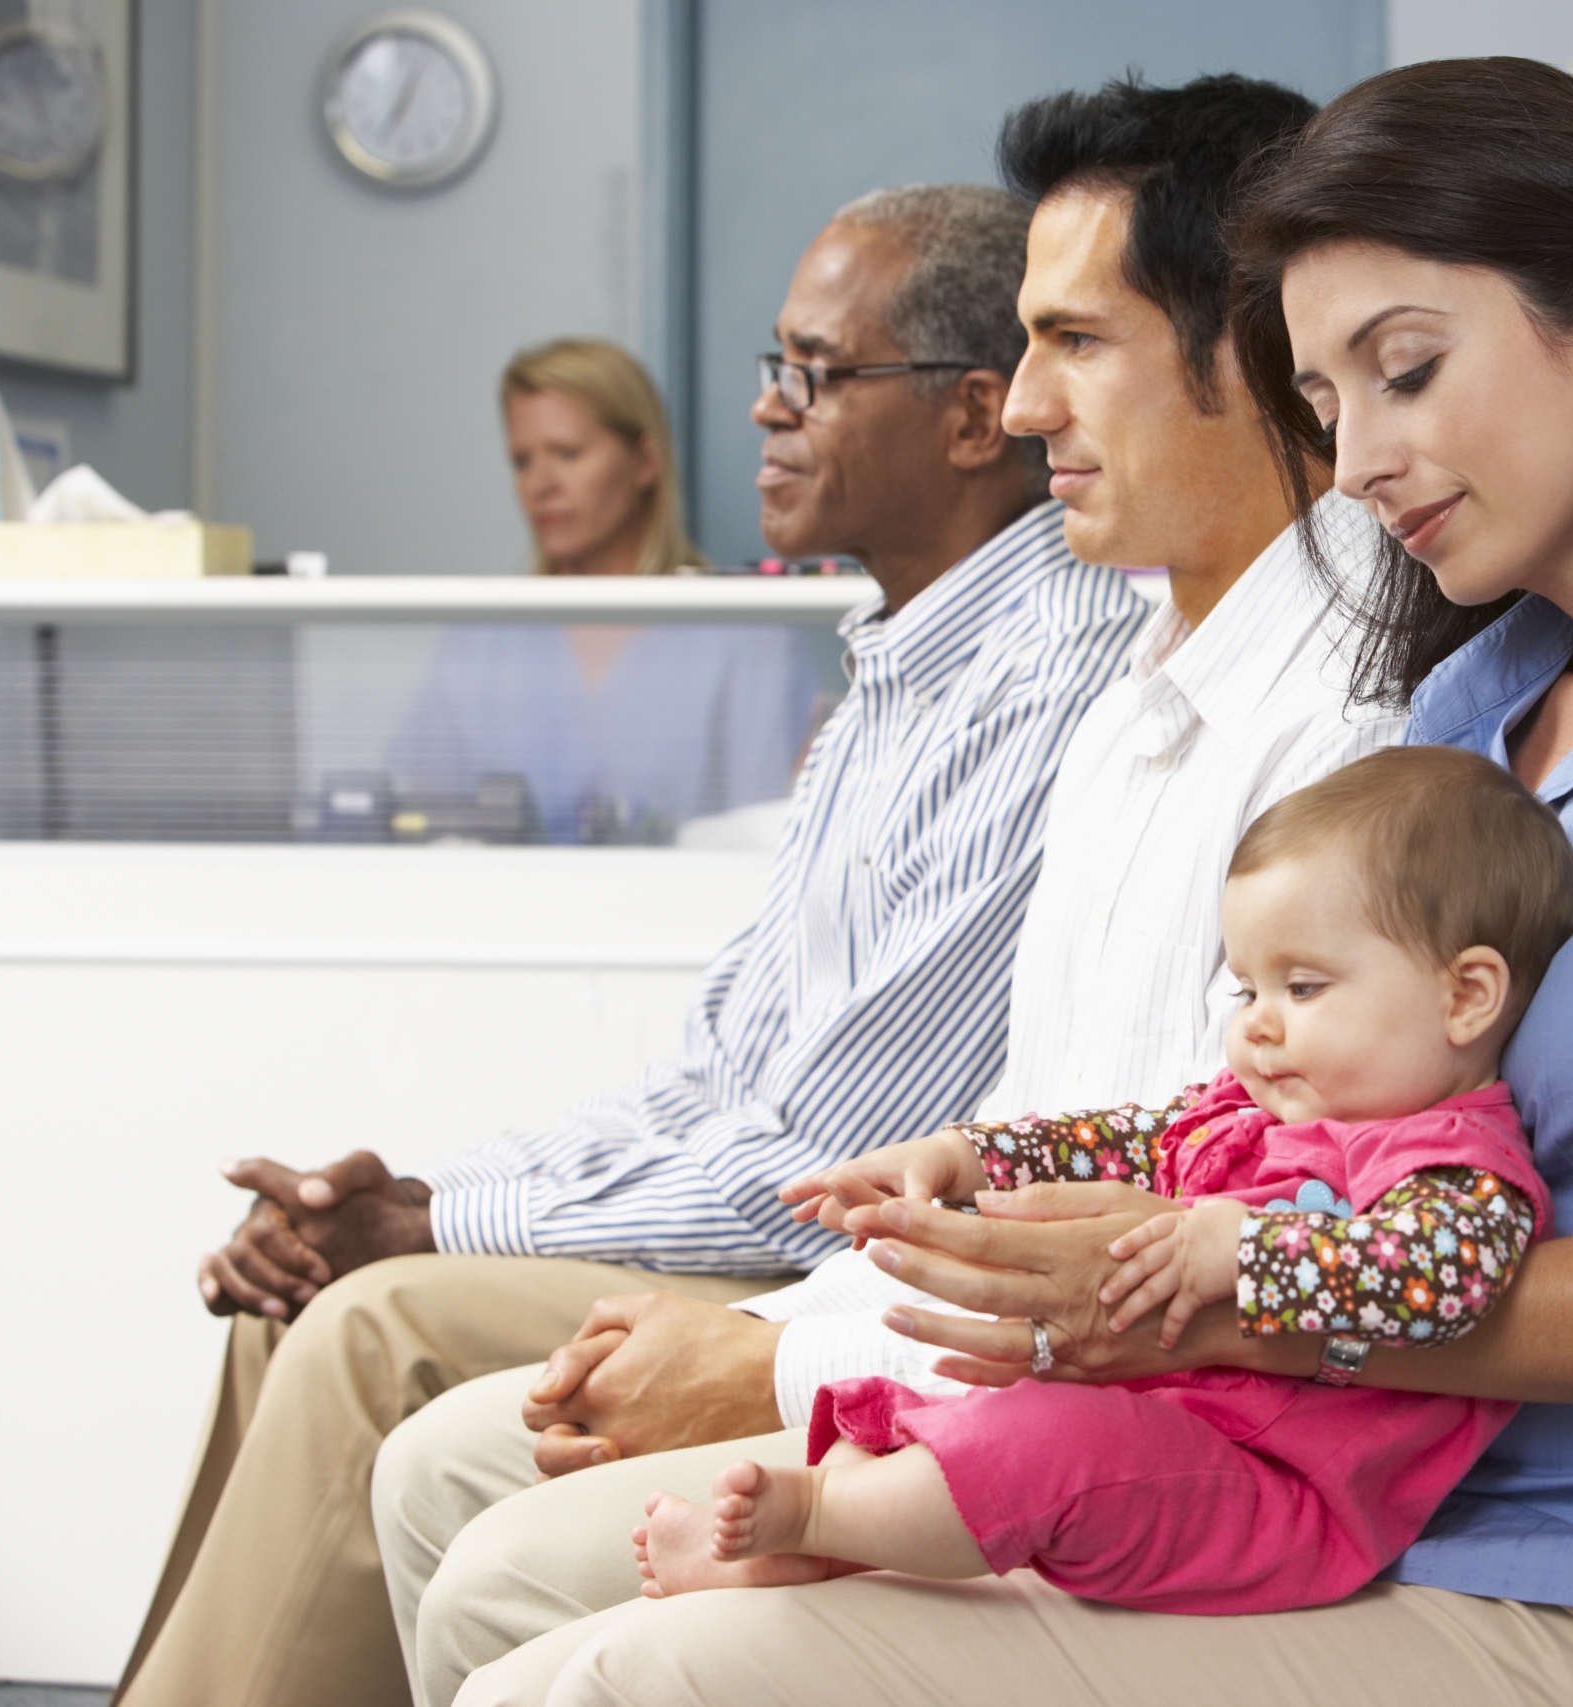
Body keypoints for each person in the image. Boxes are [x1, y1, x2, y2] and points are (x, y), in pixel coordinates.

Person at [454, 55, 1573, 1707]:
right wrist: (1025, 1184)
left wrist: (1217, 1291)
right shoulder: (1473, 707)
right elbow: (1272, 1109)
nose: (1356, 462)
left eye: (1406, 372)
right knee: (537, 1608)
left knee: (618, 1677)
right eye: (1329, 401)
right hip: (1318, 1497)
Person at [383, 74, 1400, 1707]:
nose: (1021, 410)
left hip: (1147, 1436)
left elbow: (1162, 1244)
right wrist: (784, 1323)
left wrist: (768, 1356)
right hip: (985, 1353)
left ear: (1253, 346)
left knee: (496, 1558)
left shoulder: (1354, 725)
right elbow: (1008, 1147)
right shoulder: (1146, 678)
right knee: (442, 1469)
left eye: (1079, 344)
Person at [117, 184, 1147, 1707]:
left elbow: (817, 1162)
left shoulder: (1041, 675)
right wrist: (411, 1193)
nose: (764, 406)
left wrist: (428, 1226)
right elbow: (712, 1071)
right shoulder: (893, 670)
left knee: (367, 1325)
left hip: (817, 1260)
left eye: (811, 371)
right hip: (764, 1215)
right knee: (297, 1305)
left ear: (970, 416)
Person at [621, 745, 1573, 1617]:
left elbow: (1444, 1279)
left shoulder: (1455, 1162)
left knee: (1042, 1445)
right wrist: (969, 1157)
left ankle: (820, 1517)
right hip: (1169, 1421)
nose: (1256, 1023)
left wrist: (1238, 1252)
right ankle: (826, 1545)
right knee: (971, 1406)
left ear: (1466, 996)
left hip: (1276, 1491)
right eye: (1246, 989)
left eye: (1304, 987)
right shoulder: (1257, 1113)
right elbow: (1119, 1139)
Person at [384, 339, 819, 847]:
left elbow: (768, 850)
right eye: (522, 461)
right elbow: (419, 820)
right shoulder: (481, 643)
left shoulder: (744, 639)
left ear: (644, 462)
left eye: (567, 454)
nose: (541, 484)